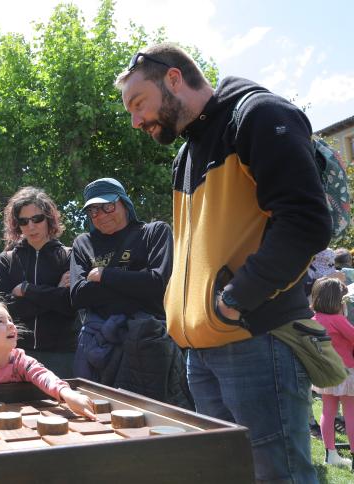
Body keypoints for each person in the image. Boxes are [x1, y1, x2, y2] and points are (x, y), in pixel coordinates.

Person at [115, 42, 331, 481]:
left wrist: (235, 299)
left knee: (277, 475)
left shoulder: (259, 115)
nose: (136, 120)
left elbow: (305, 220)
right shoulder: (186, 153)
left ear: (173, 78)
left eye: (139, 104)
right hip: (201, 350)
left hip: (256, 338)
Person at [69, 178, 190, 408]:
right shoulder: (83, 243)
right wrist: (135, 283)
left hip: (148, 344)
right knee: (100, 418)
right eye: (93, 210)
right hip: (99, 348)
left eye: (108, 205)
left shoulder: (154, 232)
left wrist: (105, 275)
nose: (101, 214)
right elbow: (77, 295)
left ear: (124, 203)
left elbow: (158, 285)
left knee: (155, 419)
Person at [0, 187, 76, 377]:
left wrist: (26, 290)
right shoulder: (6, 260)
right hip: (17, 354)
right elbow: (0, 310)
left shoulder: (69, 256)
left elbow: (69, 305)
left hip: (62, 355)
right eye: (24, 221)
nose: (31, 226)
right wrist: (54, 293)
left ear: (49, 219)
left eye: (37, 219)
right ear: (17, 224)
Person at [309, 277, 354, 470]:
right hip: (346, 371)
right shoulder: (338, 320)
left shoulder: (313, 320)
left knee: (328, 412)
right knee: (351, 413)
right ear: (337, 301)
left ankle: (331, 454)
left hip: (325, 372)